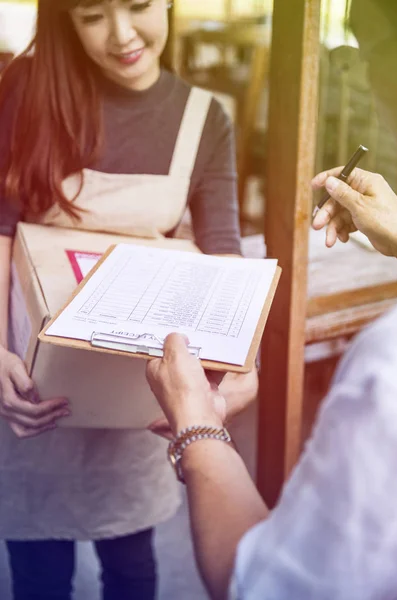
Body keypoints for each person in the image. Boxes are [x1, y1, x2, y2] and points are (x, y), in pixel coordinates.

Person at [0, 1, 257, 598]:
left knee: (133, 560)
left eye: (139, 5)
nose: (122, 35)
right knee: (38, 566)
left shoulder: (203, 119)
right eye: (92, 15)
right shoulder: (27, 90)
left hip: (133, 382)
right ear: (64, 19)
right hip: (31, 374)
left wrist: (240, 363)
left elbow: (222, 250)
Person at [145, 1, 397, 598]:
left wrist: (198, 426)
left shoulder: (387, 374)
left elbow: (263, 583)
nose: (361, 75)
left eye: (364, 48)